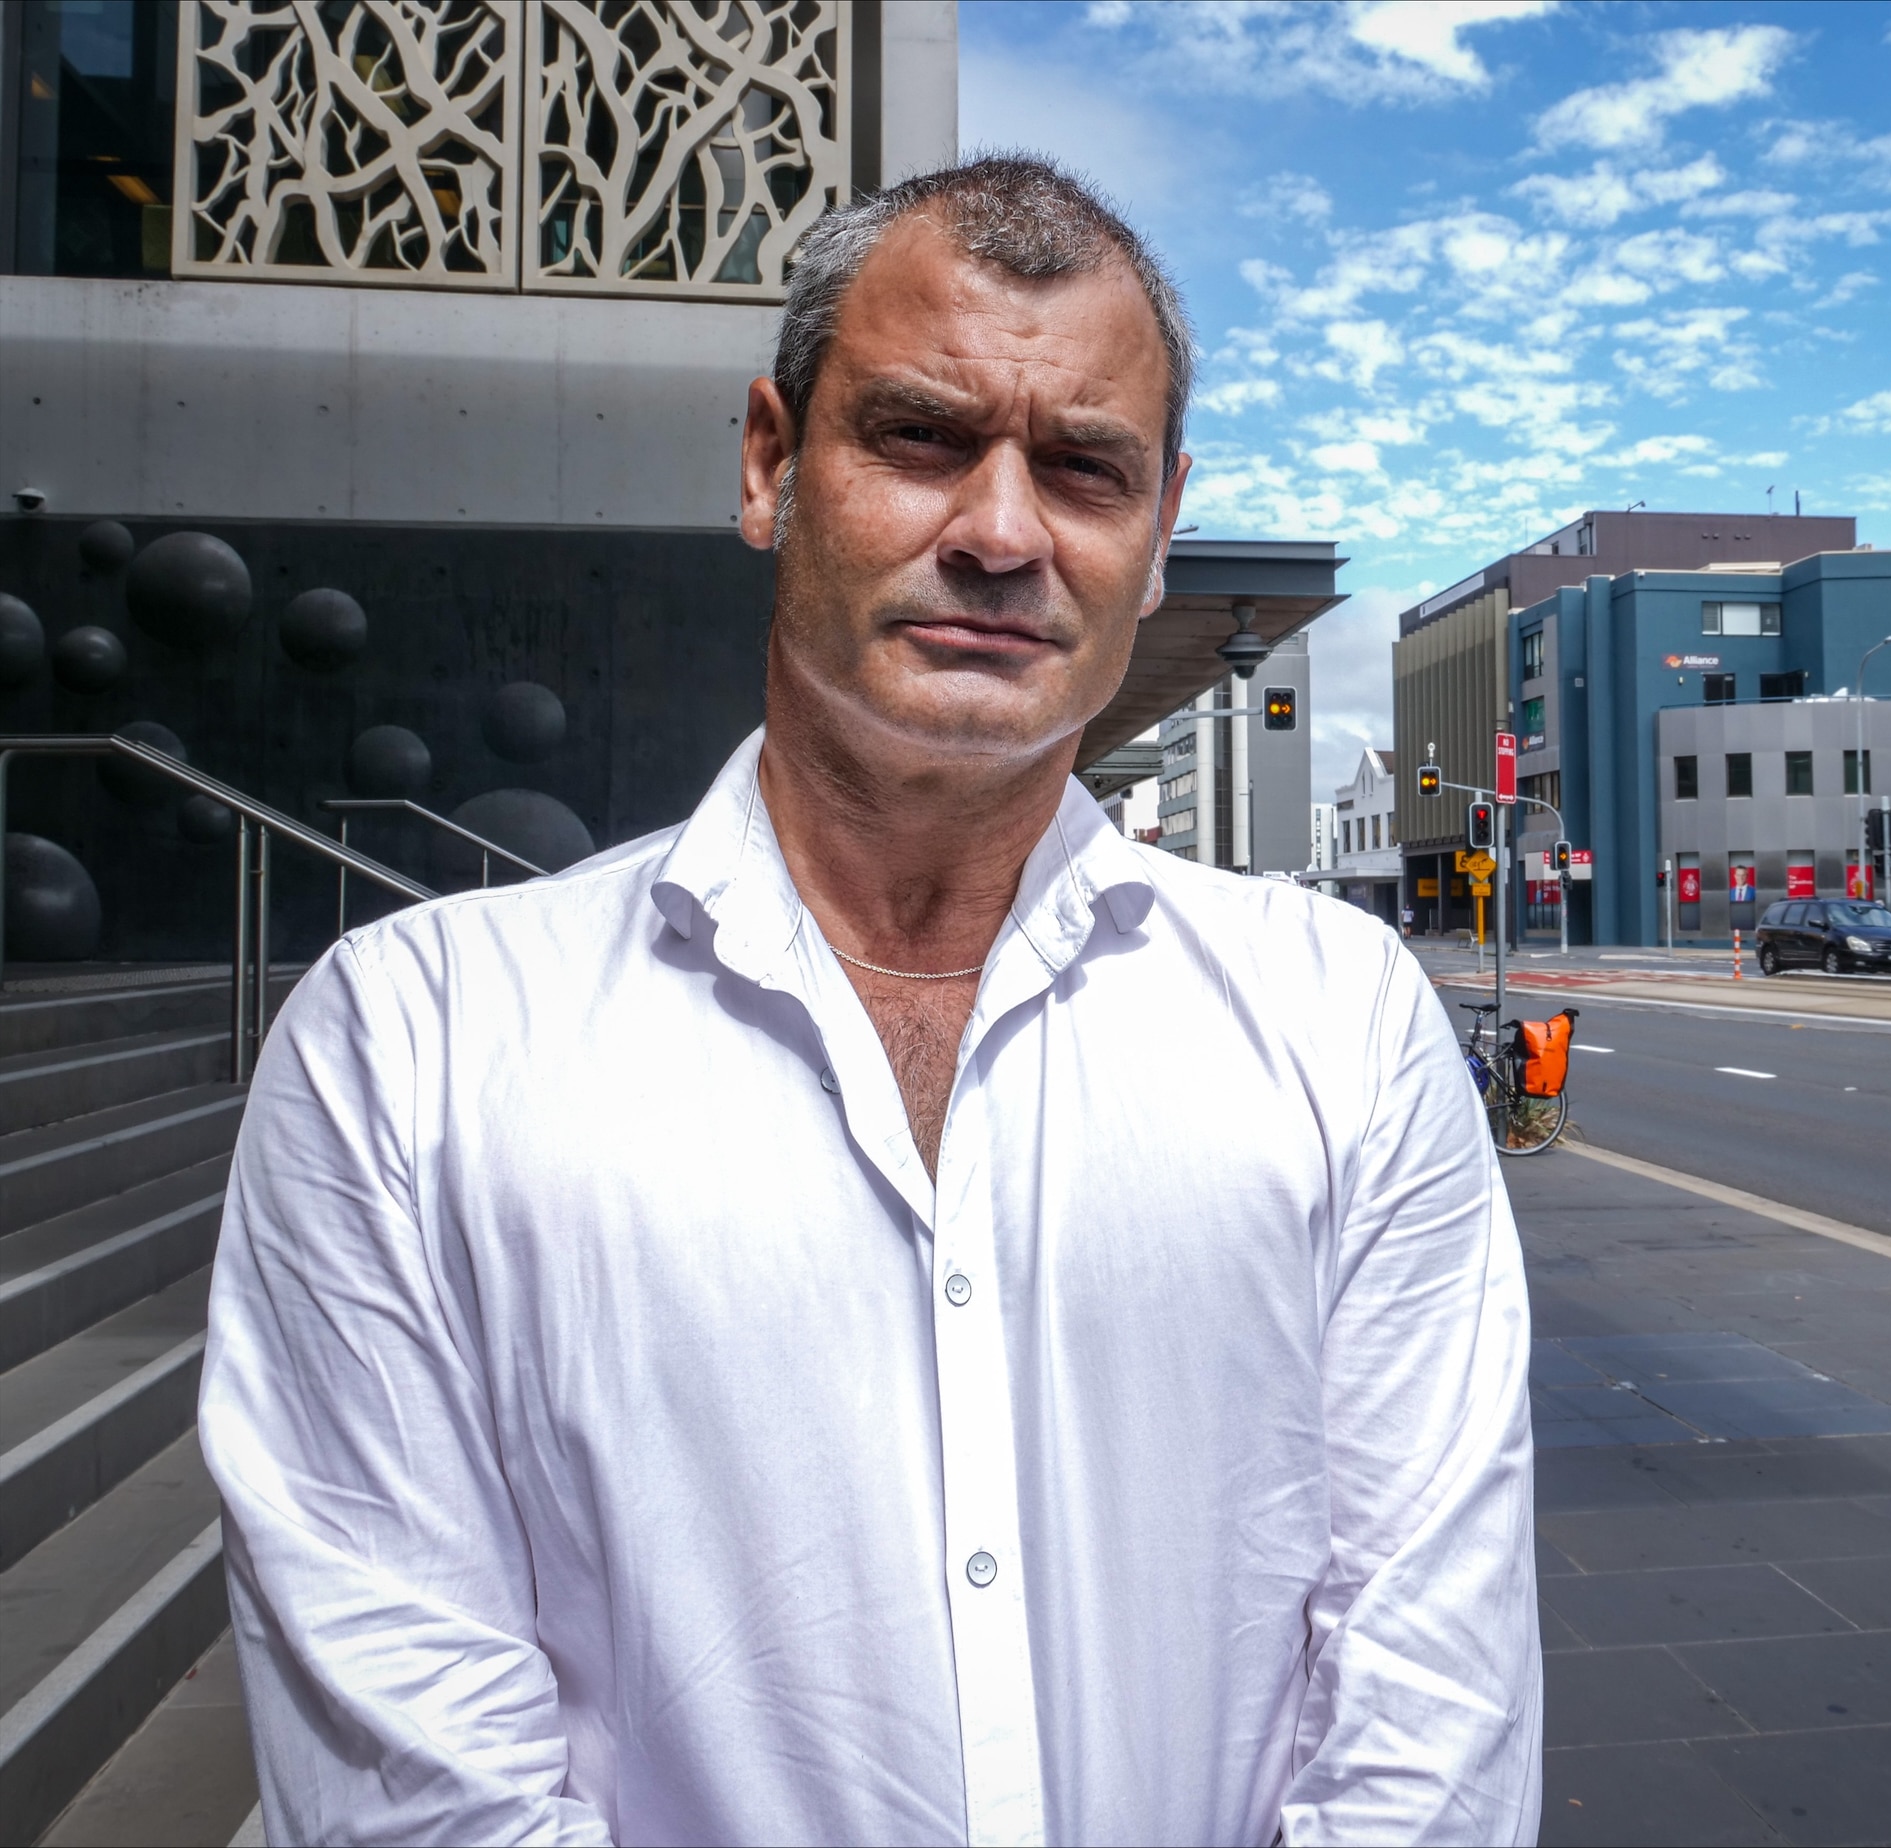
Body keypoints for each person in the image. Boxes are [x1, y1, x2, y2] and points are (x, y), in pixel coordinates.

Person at [199, 157, 1540, 1846]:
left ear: (1158, 524)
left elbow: (1433, 1718)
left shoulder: (1341, 1023)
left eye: (1083, 468)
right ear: (771, 462)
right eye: (919, 437)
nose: (1000, 533)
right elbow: (413, 1782)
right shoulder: (411, 1048)